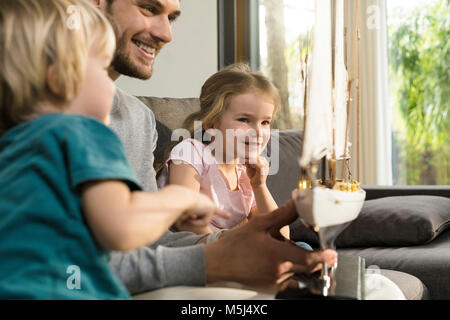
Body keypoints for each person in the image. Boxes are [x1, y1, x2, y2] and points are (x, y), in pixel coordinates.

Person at [91, 0, 337, 295]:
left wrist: (234, 244)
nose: (167, 34)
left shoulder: (138, 117)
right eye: (147, 8)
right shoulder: (37, 108)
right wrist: (218, 255)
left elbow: (152, 242)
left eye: (172, 18)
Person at [0, 0, 223, 299]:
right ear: (60, 78)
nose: (111, 85)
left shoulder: (14, 146)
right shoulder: (83, 132)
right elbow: (121, 225)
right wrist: (179, 199)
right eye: (101, 66)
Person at [160, 63, 290, 238]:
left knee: (302, 248)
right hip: (192, 250)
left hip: (228, 250)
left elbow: (281, 235)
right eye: (244, 120)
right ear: (211, 124)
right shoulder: (191, 153)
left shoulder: (245, 172)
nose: (258, 131)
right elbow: (187, 220)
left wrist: (259, 186)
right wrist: (233, 247)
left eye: (265, 122)